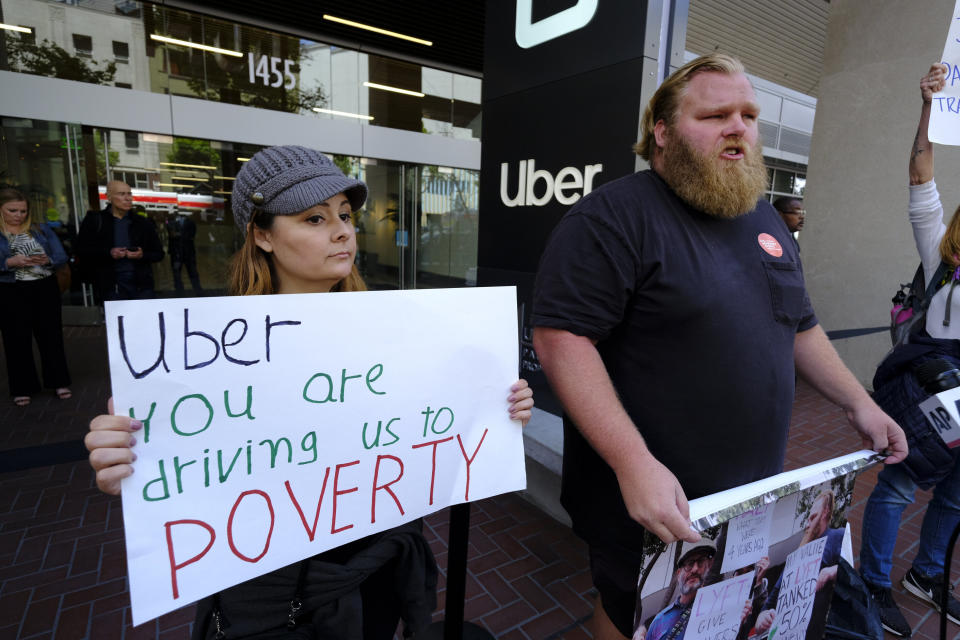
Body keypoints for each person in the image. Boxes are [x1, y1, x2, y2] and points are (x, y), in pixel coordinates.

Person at [83, 145, 535, 639]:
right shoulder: (209, 358)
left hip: (378, 574)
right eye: (314, 218)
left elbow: (426, 439)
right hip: (280, 602)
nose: (343, 230)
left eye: (344, 215)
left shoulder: (396, 335)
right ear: (262, 235)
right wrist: (128, 462)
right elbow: (186, 471)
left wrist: (493, 409)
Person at [530, 54, 907, 640]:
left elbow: (799, 324)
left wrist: (859, 403)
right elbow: (561, 339)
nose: (739, 127)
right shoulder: (613, 217)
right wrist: (634, 463)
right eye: (715, 115)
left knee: (716, 613)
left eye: (749, 115)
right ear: (661, 131)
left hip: (749, 489)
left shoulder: (764, 216)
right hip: (649, 494)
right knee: (631, 612)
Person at [859, 63, 960, 638]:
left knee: (956, 492)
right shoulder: (943, 259)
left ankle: (927, 574)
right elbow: (921, 169)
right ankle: (874, 582)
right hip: (929, 389)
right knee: (899, 484)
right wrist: (929, 105)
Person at [0, 188, 72, 406]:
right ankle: (23, 387)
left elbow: (61, 256)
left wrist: (46, 259)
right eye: (12, 210)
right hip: (11, 290)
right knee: (16, 340)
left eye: (23, 210)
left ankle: (59, 381)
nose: (18, 215)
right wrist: (8, 263)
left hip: (44, 287)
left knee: (52, 336)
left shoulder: (40, 229)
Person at [753, 490, 844, 637]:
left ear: (825, 513)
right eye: (808, 518)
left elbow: (851, 573)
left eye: (813, 517)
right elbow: (768, 605)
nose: (808, 524)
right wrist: (762, 618)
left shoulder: (836, 536)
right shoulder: (793, 560)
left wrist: (831, 572)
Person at [76, 180, 163, 302]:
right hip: (110, 286)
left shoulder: (142, 222)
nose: (128, 198)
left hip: (141, 286)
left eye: (129, 194)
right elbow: (82, 250)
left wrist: (142, 255)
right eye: (122, 194)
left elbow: (158, 254)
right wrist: (109, 253)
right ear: (109, 197)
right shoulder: (95, 220)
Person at [645, 541, 716, 640]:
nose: (695, 569)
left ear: (708, 567)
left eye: (701, 562)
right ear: (678, 574)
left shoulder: (718, 609)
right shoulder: (659, 620)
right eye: (690, 564)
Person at [166, 209, 202, 293]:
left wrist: (178, 235)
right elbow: (170, 233)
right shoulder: (171, 221)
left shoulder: (190, 222)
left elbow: (191, 236)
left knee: (193, 273)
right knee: (177, 275)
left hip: (188, 253)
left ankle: (198, 292)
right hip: (176, 253)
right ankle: (179, 293)